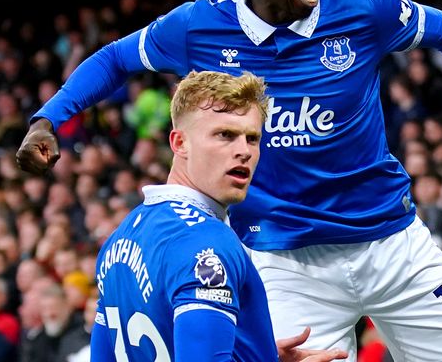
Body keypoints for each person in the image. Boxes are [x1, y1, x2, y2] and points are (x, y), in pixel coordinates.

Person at [16, 0, 442, 360]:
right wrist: (49, 118)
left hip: (390, 240)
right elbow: (117, 58)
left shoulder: (362, 8)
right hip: (281, 262)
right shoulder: (199, 26)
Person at [89, 70, 345, 361]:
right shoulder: (208, 244)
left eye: (252, 138)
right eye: (225, 135)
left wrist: (258, 355)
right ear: (179, 143)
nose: (244, 151)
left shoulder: (120, 236)